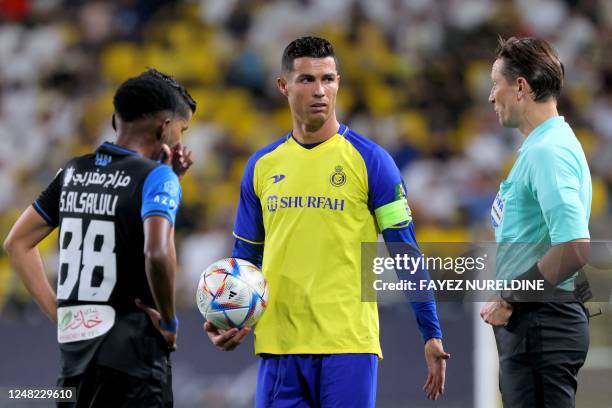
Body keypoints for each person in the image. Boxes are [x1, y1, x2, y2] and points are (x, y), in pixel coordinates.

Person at [203, 36, 449, 406]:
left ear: (339, 82)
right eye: (307, 80)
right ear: (283, 86)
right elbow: (245, 259)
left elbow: (405, 251)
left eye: (328, 79)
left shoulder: (372, 161)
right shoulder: (261, 166)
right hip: (278, 346)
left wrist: (431, 332)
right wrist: (229, 319)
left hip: (348, 344)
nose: (320, 90)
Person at [3, 69, 196, 407]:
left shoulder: (73, 171)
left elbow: (16, 244)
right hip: (133, 362)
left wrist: (59, 316)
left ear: (113, 120)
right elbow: (157, 251)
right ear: (164, 126)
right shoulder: (157, 177)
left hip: (75, 364)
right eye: (182, 129)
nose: (182, 140)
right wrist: (168, 320)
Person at [480, 37, 592, 408]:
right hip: (536, 321)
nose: (491, 97)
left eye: (496, 85)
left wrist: (510, 296)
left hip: (542, 322)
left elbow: (574, 247)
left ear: (521, 87)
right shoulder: (543, 146)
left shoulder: (548, 151)